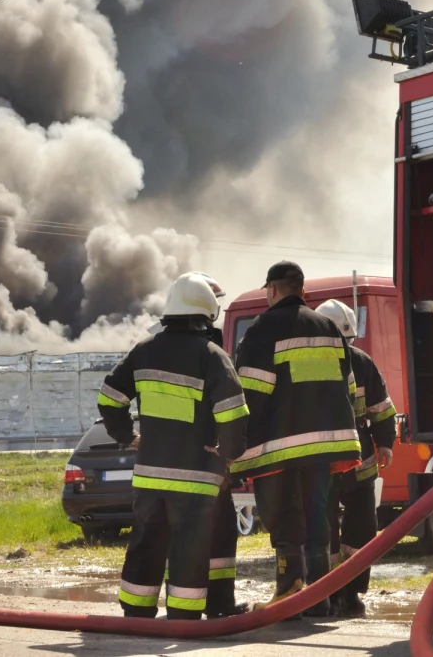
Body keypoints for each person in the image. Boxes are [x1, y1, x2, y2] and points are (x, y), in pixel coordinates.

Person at [99, 274, 249, 620]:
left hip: (151, 476)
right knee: (189, 547)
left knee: (146, 544)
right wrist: (226, 453)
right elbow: (234, 413)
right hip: (196, 478)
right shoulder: (212, 355)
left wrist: (126, 435)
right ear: (207, 311)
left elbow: (109, 399)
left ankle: (137, 612)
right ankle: (183, 617)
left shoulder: (144, 350)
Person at [229, 261, 362, 618]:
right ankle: (319, 599)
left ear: (271, 290)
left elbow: (251, 394)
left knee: (284, 520)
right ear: (303, 291)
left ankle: (289, 595)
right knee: (318, 517)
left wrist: (237, 446)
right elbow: (348, 387)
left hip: (279, 448)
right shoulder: (328, 328)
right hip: (323, 448)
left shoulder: (262, 329)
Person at [315, 299, 398, 617]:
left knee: (363, 525)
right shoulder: (312, 364)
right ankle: (330, 590)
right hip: (324, 463)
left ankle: (351, 591)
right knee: (323, 529)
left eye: (347, 341)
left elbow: (380, 407)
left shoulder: (362, 363)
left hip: (358, 461)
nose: (344, 346)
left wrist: (386, 443)